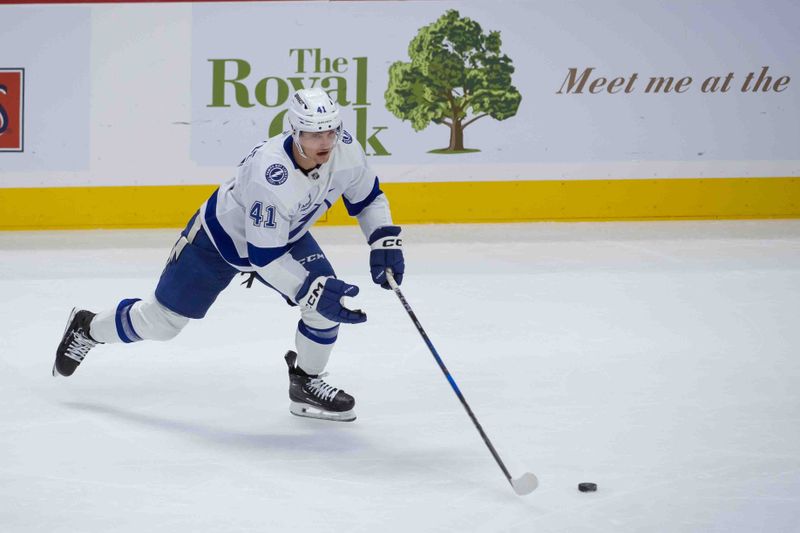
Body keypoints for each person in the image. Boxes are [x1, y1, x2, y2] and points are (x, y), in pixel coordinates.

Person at [52, 87, 405, 423]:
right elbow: (263, 257)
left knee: (327, 300)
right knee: (162, 324)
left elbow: (369, 197)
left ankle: (305, 382)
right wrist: (310, 289)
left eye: (330, 131)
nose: (325, 142)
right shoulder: (272, 174)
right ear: (294, 131)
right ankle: (87, 328)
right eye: (314, 134)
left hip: (284, 237)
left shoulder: (345, 149)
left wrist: (383, 240)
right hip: (216, 244)